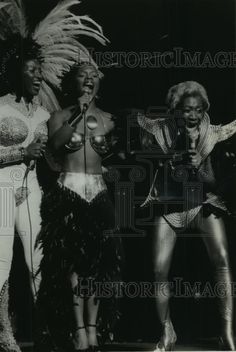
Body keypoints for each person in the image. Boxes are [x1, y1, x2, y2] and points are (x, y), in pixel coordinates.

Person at [0, 1, 108, 351]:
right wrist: (18, 153)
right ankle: (5, 332)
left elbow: (51, 157)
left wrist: (89, 167)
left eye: (39, 70)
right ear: (16, 70)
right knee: (2, 262)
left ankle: (46, 331)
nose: (37, 75)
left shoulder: (45, 112)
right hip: (2, 187)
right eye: (31, 70)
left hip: (31, 187)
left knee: (39, 262)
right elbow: (38, 150)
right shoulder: (1, 107)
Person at [138, 81, 236, 351]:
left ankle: (227, 331)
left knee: (223, 260)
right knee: (159, 269)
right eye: (185, 110)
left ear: (203, 110)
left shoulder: (213, 134)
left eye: (196, 110)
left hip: (202, 203)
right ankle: (166, 331)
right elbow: (160, 170)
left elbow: (212, 183)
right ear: (175, 111)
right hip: (169, 205)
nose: (191, 116)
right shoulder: (159, 133)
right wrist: (175, 157)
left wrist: (199, 167)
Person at [37, 62, 123, 352]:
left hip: (98, 193)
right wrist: (79, 113)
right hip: (68, 191)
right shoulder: (59, 115)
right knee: (72, 265)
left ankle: (92, 327)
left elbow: (115, 157)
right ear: (73, 82)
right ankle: (77, 330)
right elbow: (55, 145)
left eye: (93, 75)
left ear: (99, 82)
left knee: (97, 264)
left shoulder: (110, 119)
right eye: (82, 75)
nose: (88, 79)